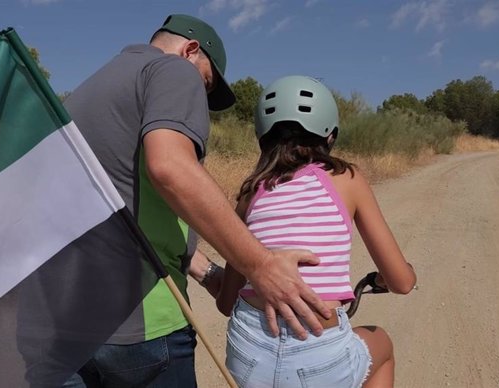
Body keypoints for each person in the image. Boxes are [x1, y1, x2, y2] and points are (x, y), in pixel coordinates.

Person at [61, 15, 331, 387]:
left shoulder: (87, 91)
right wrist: (260, 265)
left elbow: (130, 210)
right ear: (190, 51)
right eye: (206, 83)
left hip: (62, 325)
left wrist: (206, 271)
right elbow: (170, 168)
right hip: (140, 321)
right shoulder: (173, 71)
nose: (200, 94)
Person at [215, 75, 417, 388]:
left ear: (261, 137)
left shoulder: (249, 193)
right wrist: (405, 274)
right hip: (318, 353)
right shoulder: (346, 178)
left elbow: (227, 304)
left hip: (248, 354)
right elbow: (401, 284)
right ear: (330, 136)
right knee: (383, 345)